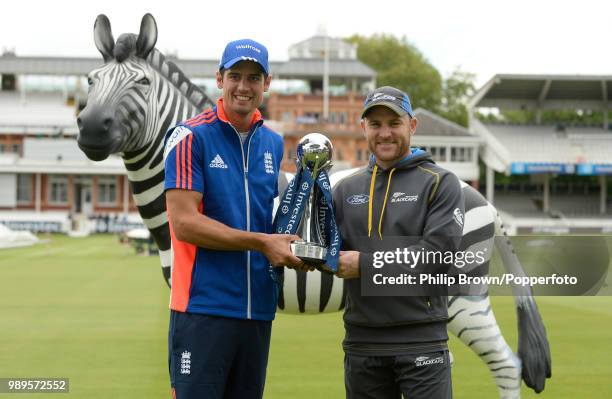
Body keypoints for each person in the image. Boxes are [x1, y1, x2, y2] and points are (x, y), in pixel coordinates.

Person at [163, 39, 303, 399]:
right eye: (235, 76)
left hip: (257, 312)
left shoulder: (273, 143)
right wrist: (262, 242)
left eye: (253, 77)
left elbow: (271, 219)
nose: (244, 86)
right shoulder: (189, 136)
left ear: (267, 82)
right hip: (202, 308)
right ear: (219, 79)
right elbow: (184, 223)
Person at [333, 86, 465, 399]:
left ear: (412, 126)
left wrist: (363, 265)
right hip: (362, 343)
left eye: (394, 123)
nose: (385, 133)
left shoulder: (440, 183)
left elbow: (437, 256)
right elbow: (328, 254)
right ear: (363, 128)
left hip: (421, 341)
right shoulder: (344, 189)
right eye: (376, 124)